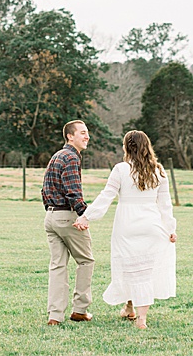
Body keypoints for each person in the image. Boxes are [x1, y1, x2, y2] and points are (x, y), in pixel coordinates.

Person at [76, 129, 178, 329]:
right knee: (144, 271)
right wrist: (170, 228)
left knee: (130, 268)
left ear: (126, 148)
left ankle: (136, 313)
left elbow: (106, 196)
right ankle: (135, 313)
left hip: (126, 226)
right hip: (151, 225)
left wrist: (87, 216)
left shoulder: (121, 169)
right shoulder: (159, 171)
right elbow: (165, 205)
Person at [41, 119, 95, 325]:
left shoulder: (56, 156)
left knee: (58, 266)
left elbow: (44, 189)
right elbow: (73, 191)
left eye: (87, 132)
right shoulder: (71, 157)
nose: (87, 136)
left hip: (51, 217)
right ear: (70, 136)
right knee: (86, 261)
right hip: (66, 216)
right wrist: (83, 215)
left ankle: (55, 315)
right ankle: (80, 310)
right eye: (82, 133)